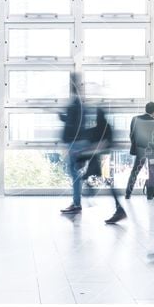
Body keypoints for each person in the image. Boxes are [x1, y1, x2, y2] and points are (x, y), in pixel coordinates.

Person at [81, 107, 127, 224]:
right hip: (102, 159)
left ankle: (119, 210)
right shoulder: (106, 127)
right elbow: (108, 142)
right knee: (104, 181)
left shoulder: (99, 128)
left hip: (99, 159)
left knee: (90, 178)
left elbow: (99, 142)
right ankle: (119, 209)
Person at [59, 73, 87, 214]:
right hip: (76, 142)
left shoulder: (76, 103)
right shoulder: (79, 103)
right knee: (74, 171)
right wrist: (64, 117)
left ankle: (77, 203)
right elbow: (75, 121)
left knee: (74, 172)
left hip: (74, 142)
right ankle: (77, 202)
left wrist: (64, 117)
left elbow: (73, 124)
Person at [124, 102, 154, 199]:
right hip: (151, 150)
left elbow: (132, 135)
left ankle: (128, 194)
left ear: (146, 109)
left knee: (134, 172)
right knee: (152, 172)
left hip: (140, 150)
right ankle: (150, 195)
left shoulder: (135, 119)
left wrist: (136, 146)